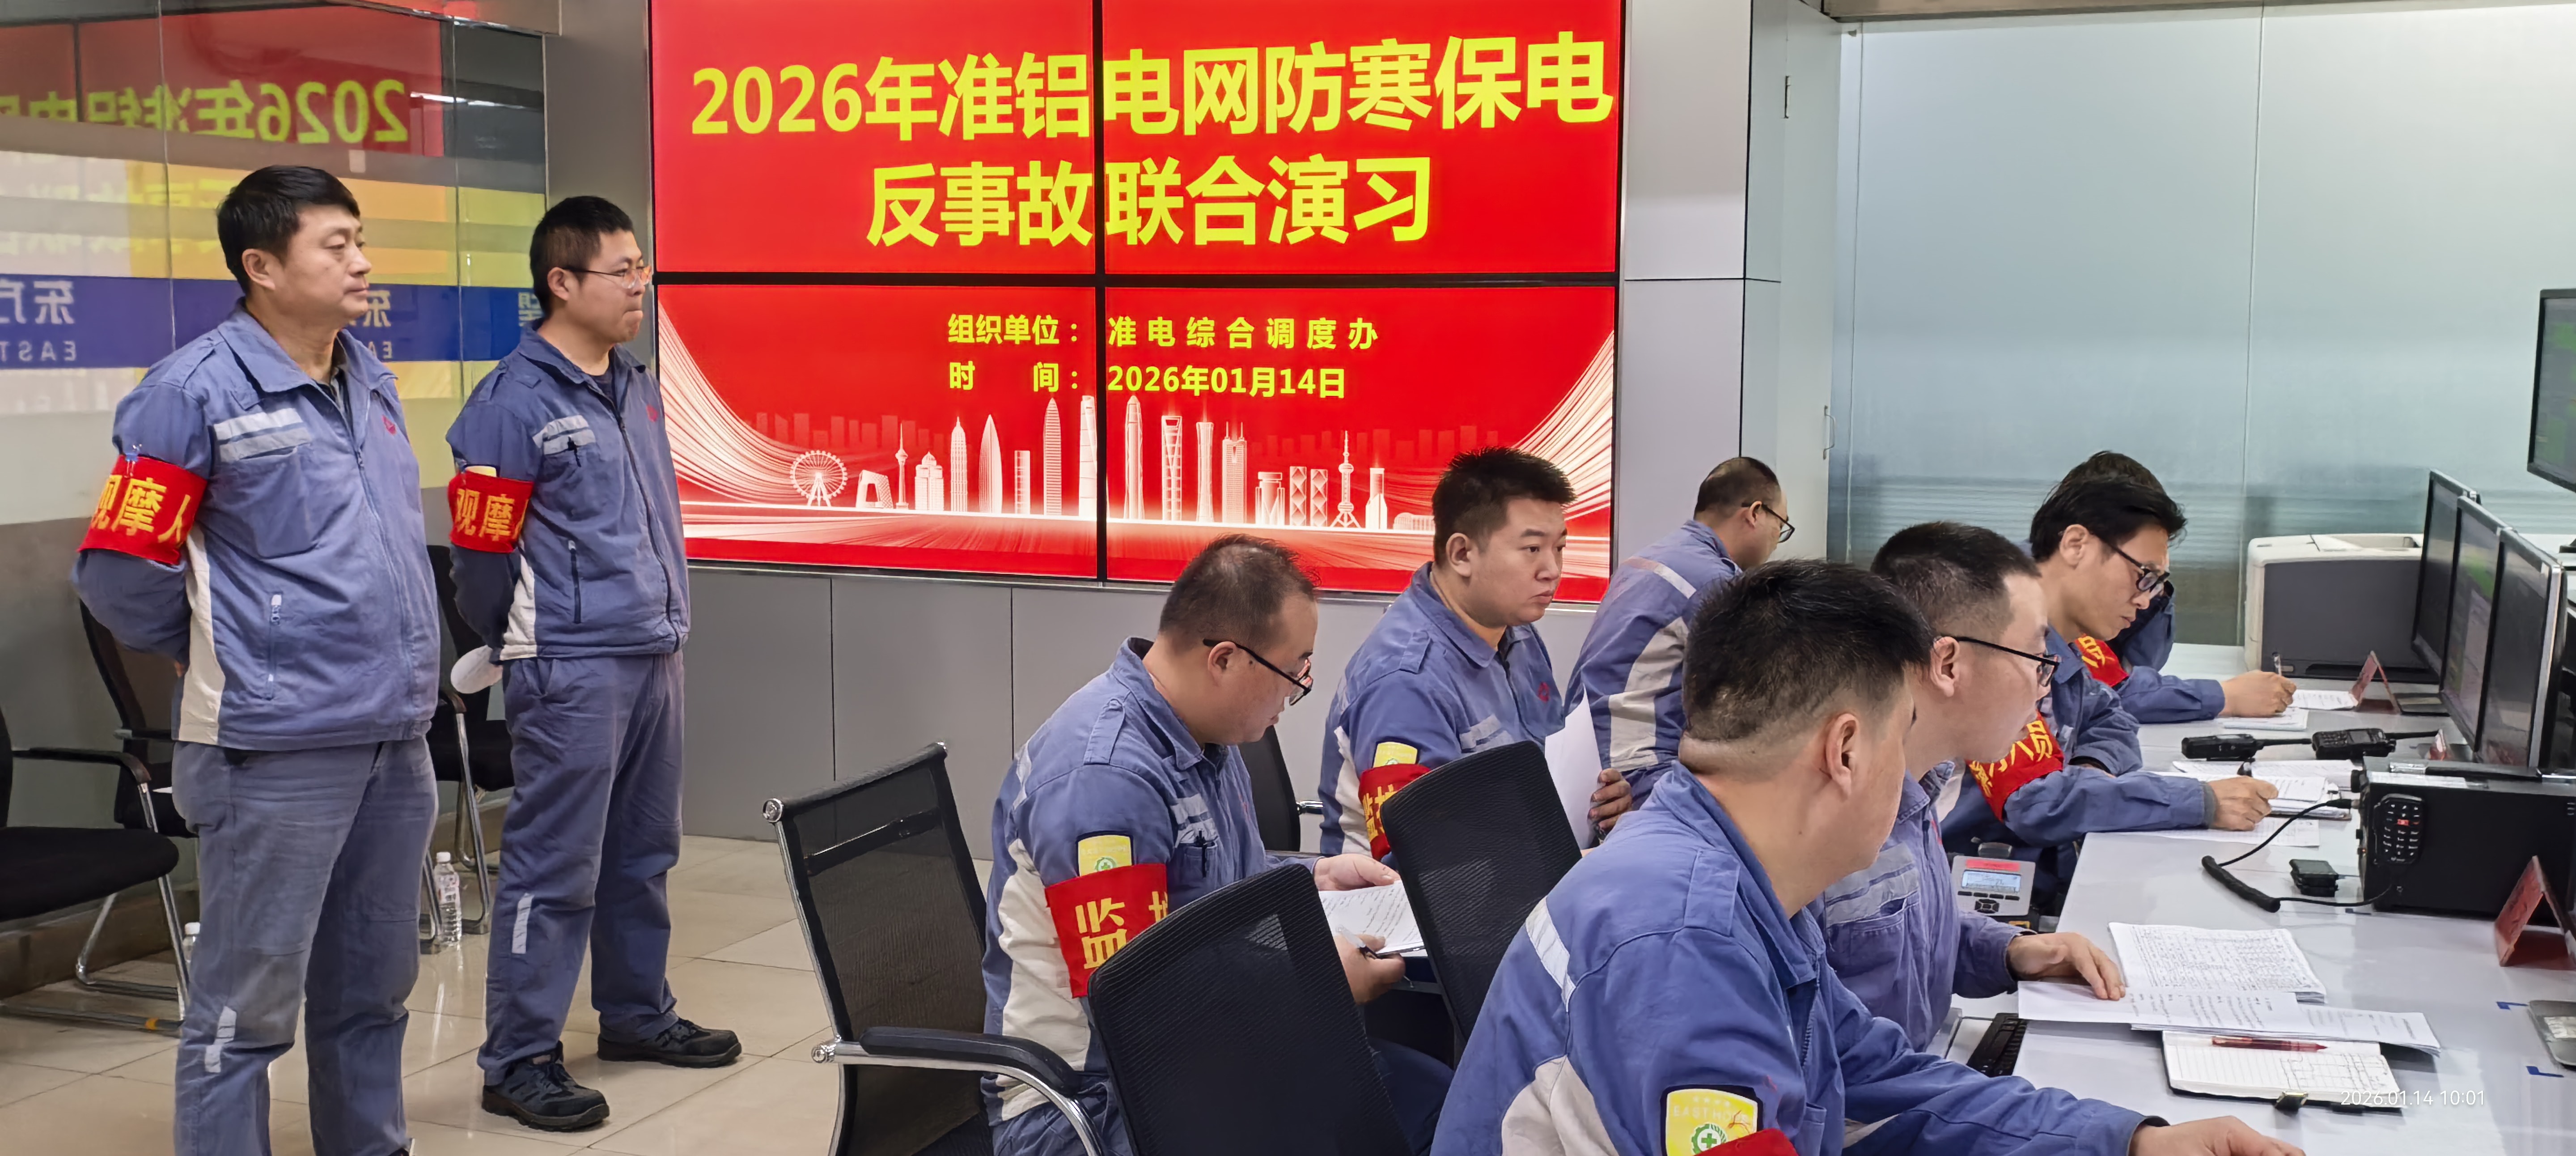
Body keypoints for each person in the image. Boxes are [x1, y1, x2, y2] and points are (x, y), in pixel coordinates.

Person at [1432, 561, 2304, 1156]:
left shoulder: (1741, 877)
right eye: (1903, 738)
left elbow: (1877, 1073)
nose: (1913, 778)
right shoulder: (1683, 941)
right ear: (1846, 750)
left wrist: (2133, 1140)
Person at [72, 166, 441, 1156]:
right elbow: (119, 573)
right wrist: (224, 646)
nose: (362, 262)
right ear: (263, 266)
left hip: (393, 734)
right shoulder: (188, 393)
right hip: (273, 747)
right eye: (336, 245)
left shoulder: (369, 377)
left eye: (360, 240)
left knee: (374, 987)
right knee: (247, 1008)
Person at [983, 536, 1449, 1156]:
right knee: (1393, 1125)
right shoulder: (1105, 783)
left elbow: (1211, 893)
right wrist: (1313, 981)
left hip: (1205, 1060)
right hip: (1095, 1105)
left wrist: (1314, 879)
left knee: (1437, 1102)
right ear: (1225, 660)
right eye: (1293, 671)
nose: (1298, 688)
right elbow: (1136, 1008)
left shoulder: (1202, 736)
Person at [442, 196, 729, 1130]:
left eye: (644, 266)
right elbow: (480, 553)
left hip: (653, 648)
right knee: (553, 865)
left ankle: (637, 1013)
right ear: (561, 282)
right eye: (623, 269)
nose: (642, 284)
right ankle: (518, 1056)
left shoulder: (634, 384)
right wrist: (524, 635)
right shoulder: (510, 404)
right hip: (568, 663)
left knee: (644, 851)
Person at [1822, 523, 2124, 1051]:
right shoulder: (1828, 818)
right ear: (1948, 663)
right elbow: (1850, 1069)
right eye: (2036, 660)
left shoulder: (1920, 784)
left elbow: (1906, 937)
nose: (2042, 689)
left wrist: (2011, 951)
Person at [1940, 479, 2276, 900]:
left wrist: (2090, 769)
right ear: (2076, 545)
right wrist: (2201, 802)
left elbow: (2113, 715)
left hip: (2048, 876)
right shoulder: (1997, 651)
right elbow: (2038, 804)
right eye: (2144, 576)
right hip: (1979, 894)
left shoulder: (2067, 645)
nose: (2146, 600)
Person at [1319, 448, 1625, 859]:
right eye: (1532, 549)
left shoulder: (1517, 633)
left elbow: (1549, 769)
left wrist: (1599, 804)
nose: (1553, 570)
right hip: (1412, 895)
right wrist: (1570, 861)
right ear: (1462, 554)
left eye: (1560, 548)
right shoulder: (1405, 683)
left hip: (1527, 871)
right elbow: (1421, 861)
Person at [1566, 457, 1785, 824]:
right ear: (1755, 514)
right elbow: (1752, 698)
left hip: (1586, 756)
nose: (1778, 541)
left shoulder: (1650, 558)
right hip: (1638, 771)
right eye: (1781, 526)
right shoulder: (1715, 584)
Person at [2048, 454, 2293, 723]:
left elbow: (2135, 671)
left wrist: (2154, 585)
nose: (2143, 601)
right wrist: (2225, 696)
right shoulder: (2026, 604)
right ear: (2077, 544)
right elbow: (2116, 693)